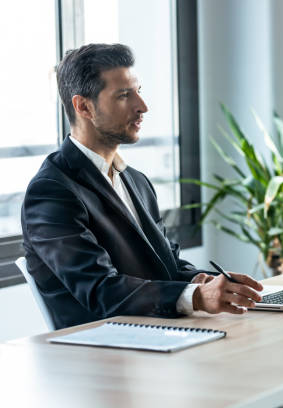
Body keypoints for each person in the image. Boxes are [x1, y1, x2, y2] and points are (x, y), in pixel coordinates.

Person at [21, 43, 262, 330]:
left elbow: (167, 266)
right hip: (99, 354)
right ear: (83, 106)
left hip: (154, 336)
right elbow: (100, 290)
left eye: (138, 91)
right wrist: (196, 297)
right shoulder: (51, 191)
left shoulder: (135, 180)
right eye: (124, 95)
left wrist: (204, 282)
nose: (142, 106)